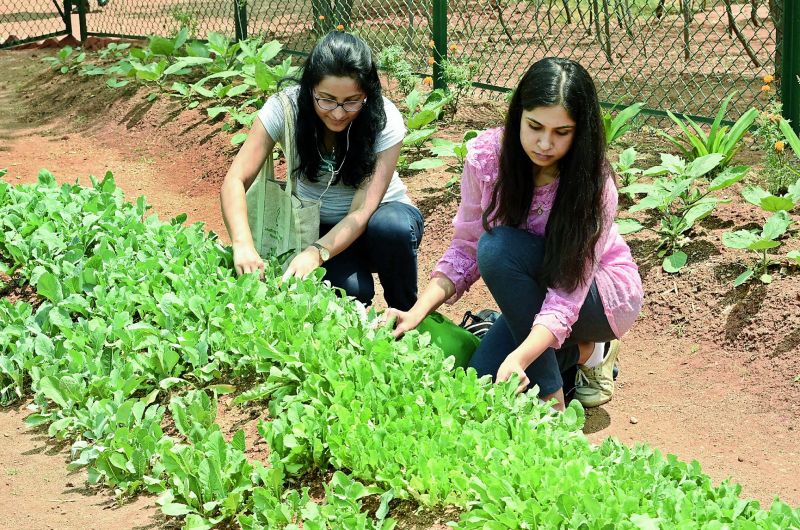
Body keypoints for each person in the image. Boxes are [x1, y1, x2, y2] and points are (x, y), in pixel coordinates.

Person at [387, 57, 643, 411]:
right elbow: (465, 247)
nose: (544, 143)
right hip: (532, 294)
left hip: (598, 297)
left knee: (497, 249)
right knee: (482, 379)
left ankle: (558, 393)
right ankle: (586, 352)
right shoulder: (487, 159)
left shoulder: (594, 183)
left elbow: (567, 293)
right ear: (517, 114)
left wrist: (529, 366)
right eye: (535, 126)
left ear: (580, 131)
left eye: (561, 132)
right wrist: (417, 312)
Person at [220, 31, 423, 311]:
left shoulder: (384, 119)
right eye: (326, 99)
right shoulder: (285, 108)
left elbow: (361, 212)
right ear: (310, 88)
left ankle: (406, 317)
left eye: (352, 101)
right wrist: (242, 244)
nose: (338, 113)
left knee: (391, 228)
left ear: (367, 93)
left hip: (379, 221)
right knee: (350, 293)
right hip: (318, 227)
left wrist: (316, 254)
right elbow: (235, 179)